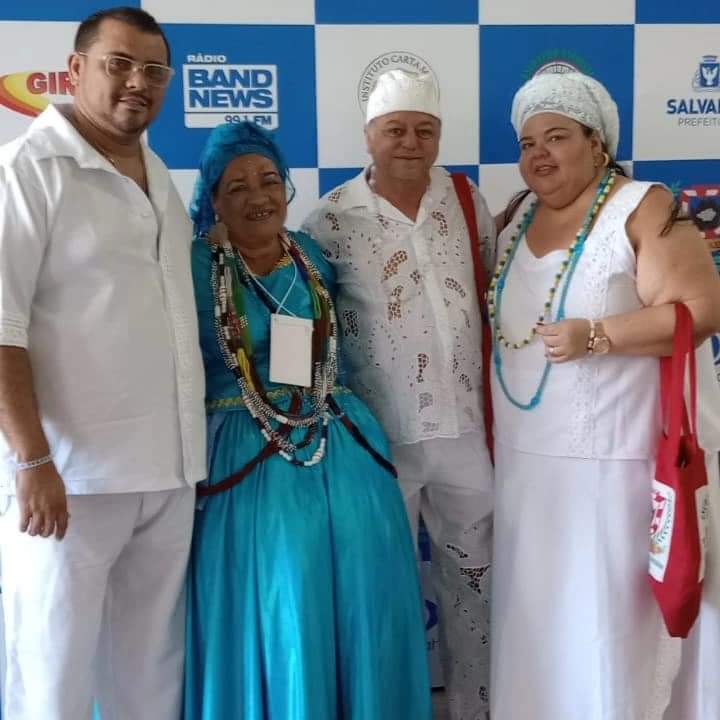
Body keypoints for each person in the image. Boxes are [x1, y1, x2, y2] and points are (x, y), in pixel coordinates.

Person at [490, 70, 720, 720]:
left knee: (610, 633)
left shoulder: (642, 205)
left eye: (557, 136)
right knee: (543, 629)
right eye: (528, 142)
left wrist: (599, 335)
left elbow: (701, 309)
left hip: (620, 468)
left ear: (597, 143)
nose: (539, 153)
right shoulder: (517, 219)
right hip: (530, 470)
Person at [183, 120, 432, 720]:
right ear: (213, 198)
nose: (258, 196)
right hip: (245, 452)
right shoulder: (192, 265)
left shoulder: (312, 253)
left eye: (269, 180)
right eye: (237, 186)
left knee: (362, 586)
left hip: (340, 440)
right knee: (287, 584)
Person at [0, 8, 206, 720]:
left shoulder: (159, 175)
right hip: (70, 483)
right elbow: (2, 329)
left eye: (154, 71)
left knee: (149, 676)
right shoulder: (27, 172)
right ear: (75, 68)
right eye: (119, 64)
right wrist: (32, 461)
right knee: (52, 677)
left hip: (169, 473)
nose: (137, 83)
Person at [303, 69, 495, 719]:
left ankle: (476, 708)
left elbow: (491, 290)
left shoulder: (465, 199)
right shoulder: (330, 218)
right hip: (381, 442)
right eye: (395, 130)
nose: (411, 142)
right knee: (382, 593)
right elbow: (311, 319)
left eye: (424, 130)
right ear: (369, 136)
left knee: (477, 584)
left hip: (466, 433)